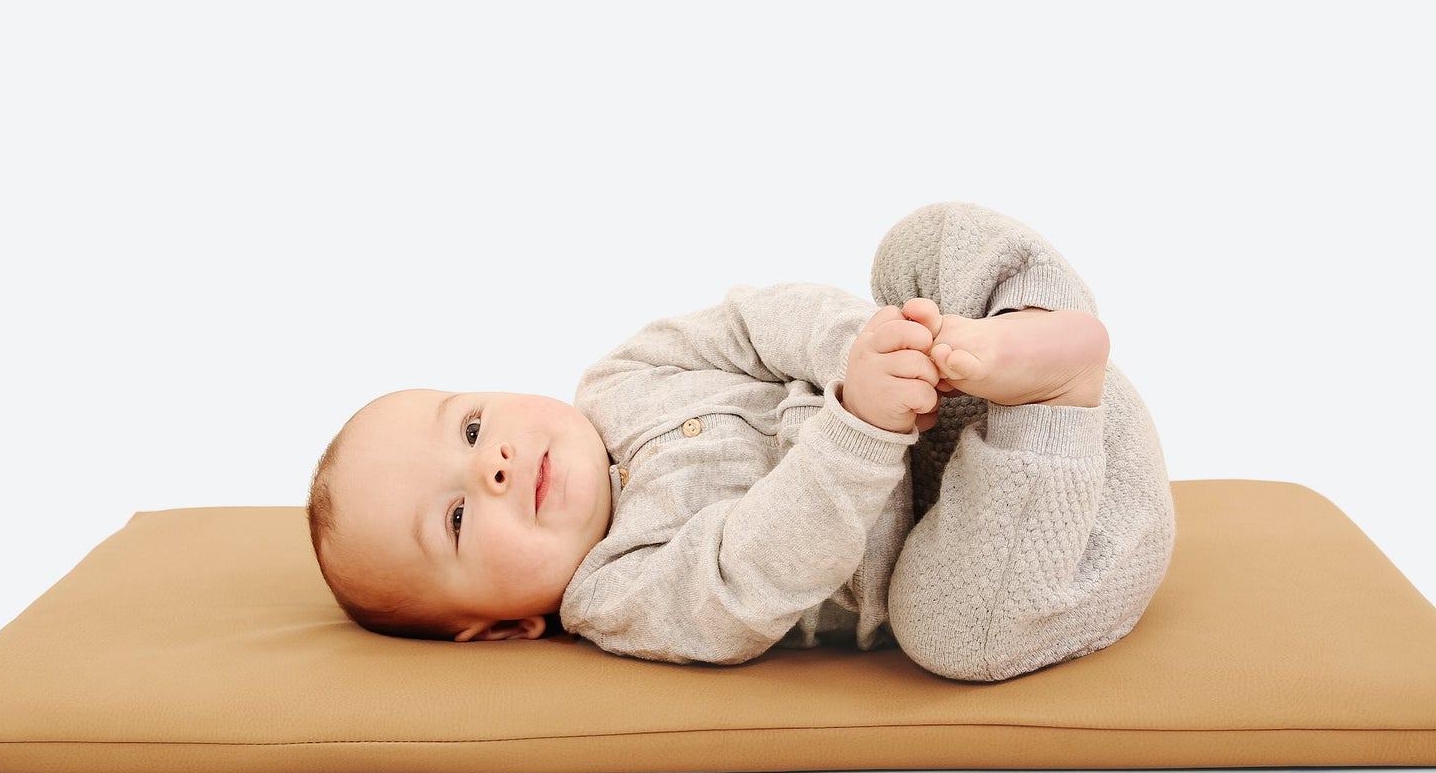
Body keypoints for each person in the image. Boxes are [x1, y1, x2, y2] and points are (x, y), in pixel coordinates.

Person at [306, 201, 1176, 681]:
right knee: (947, 633)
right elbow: (747, 574)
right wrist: (861, 425)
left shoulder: (621, 377)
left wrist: (879, 351)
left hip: (968, 376)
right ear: (505, 630)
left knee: (918, 246)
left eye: (471, 427)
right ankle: (1055, 396)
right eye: (457, 517)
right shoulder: (616, 593)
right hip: (1054, 529)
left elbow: (756, 323)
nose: (491, 465)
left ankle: (1031, 320)